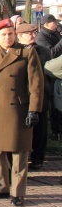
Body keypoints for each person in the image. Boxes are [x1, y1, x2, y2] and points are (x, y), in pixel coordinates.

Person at [0, 19, 44, 206]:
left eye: (11, 34)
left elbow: (36, 85)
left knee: (19, 151)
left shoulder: (26, 53)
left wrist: (34, 110)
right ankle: (1, 187)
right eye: (4, 35)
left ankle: (18, 191)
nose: (8, 38)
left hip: (18, 110)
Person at [16, 22, 51, 170]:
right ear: (20, 36)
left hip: (41, 95)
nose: (32, 36)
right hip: (21, 97)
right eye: (29, 34)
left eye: (34, 33)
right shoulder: (16, 50)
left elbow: (48, 72)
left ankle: (38, 158)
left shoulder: (43, 51)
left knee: (40, 129)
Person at [35, 13, 62, 141]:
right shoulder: (41, 37)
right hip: (50, 72)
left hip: (58, 71)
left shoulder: (55, 32)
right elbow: (50, 53)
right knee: (53, 102)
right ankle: (55, 130)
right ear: (46, 24)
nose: (56, 24)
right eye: (54, 22)